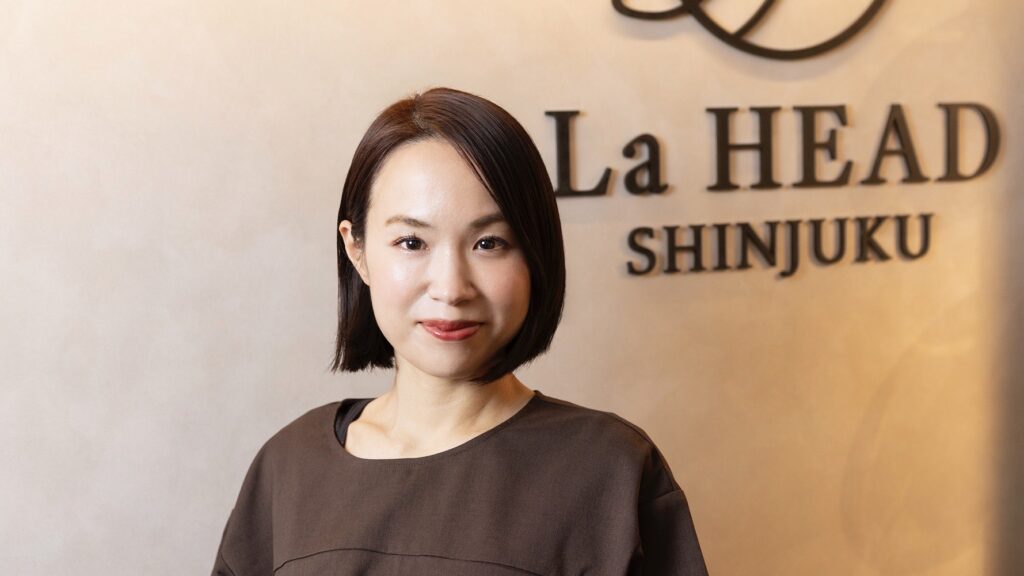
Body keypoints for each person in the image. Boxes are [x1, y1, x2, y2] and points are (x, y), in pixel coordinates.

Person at [211, 87, 709, 575]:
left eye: (489, 243)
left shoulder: (609, 471)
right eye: (412, 242)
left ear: (535, 254)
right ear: (357, 249)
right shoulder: (289, 467)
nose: (451, 288)